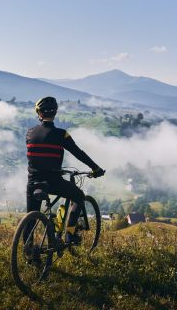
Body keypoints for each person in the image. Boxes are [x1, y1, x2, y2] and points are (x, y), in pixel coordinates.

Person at [26, 96, 105, 244]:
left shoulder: (30, 132)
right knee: (79, 196)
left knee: (30, 218)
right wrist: (96, 168)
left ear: (39, 114)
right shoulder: (62, 134)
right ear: (55, 113)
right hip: (53, 182)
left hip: (33, 182)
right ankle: (70, 235)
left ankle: (29, 252)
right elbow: (79, 153)